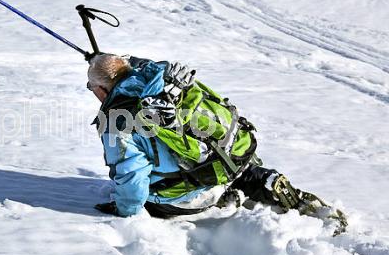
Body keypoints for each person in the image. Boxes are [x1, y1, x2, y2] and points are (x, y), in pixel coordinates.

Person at [88, 53, 347, 235]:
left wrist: (125, 210)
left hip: (187, 193)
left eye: (91, 87)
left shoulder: (116, 122)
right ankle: (256, 182)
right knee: (220, 164)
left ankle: (217, 198)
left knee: (144, 199)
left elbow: (133, 183)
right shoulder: (165, 83)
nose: (92, 92)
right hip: (228, 156)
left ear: (102, 89)